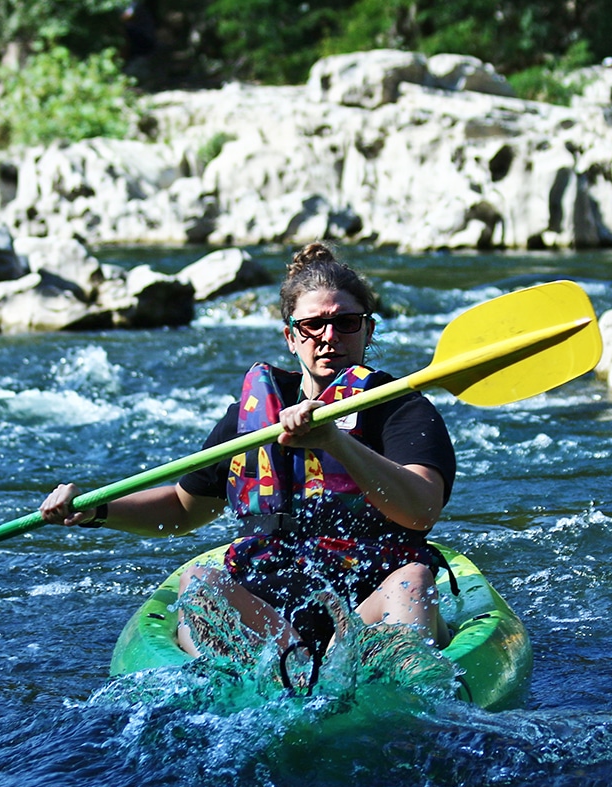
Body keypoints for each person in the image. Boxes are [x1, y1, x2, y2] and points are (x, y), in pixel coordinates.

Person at [41, 243, 457, 674]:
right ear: (291, 337)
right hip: (274, 601)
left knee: (413, 582)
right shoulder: (254, 416)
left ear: (367, 331)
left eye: (345, 323)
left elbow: (421, 509)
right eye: (313, 325)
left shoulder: (400, 408)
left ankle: (379, 691)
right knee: (199, 583)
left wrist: (336, 442)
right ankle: (281, 681)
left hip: (370, 592)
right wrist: (97, 510)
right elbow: (182, 510)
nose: (329, 338)